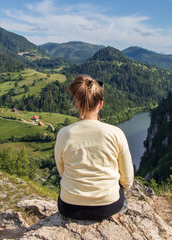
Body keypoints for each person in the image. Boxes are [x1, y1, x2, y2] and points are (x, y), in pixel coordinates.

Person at [54, 74, 134, 221]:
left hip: (70, 207)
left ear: (77, 103)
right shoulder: (116, 133)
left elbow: (62, 171)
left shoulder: (64, 134)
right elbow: (127, 179)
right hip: (107, 206)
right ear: (101, 104)